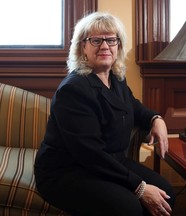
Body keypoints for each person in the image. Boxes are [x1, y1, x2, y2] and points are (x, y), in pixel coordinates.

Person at [34, 11, 175, 216]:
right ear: (83, 46)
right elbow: (90, 153)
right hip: (69, 171)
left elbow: (133, 106)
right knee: (130, 208)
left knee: (167, 193)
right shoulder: (73, 90)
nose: (105, 46)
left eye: (111, 40)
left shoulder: (116, 78)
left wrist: (156, 118)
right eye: (96, 40)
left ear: (118, 45)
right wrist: (140, 187)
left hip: (111, 162)